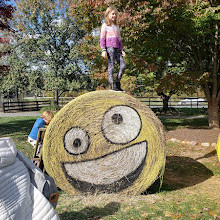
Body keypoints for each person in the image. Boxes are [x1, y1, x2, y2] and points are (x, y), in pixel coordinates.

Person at [100, 6, 126, 91]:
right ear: (108, 15)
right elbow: (102, 38)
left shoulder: (116, 27)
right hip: (110, 48)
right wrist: (103, 50)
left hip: (117, 49)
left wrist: (122, 50)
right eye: (112, 14)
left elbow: (119, 39)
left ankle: (117, 82)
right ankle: (111, 85)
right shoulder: (105, 25)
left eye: (115, 14)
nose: (114, 16)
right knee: (111, 66)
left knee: (123, 65)